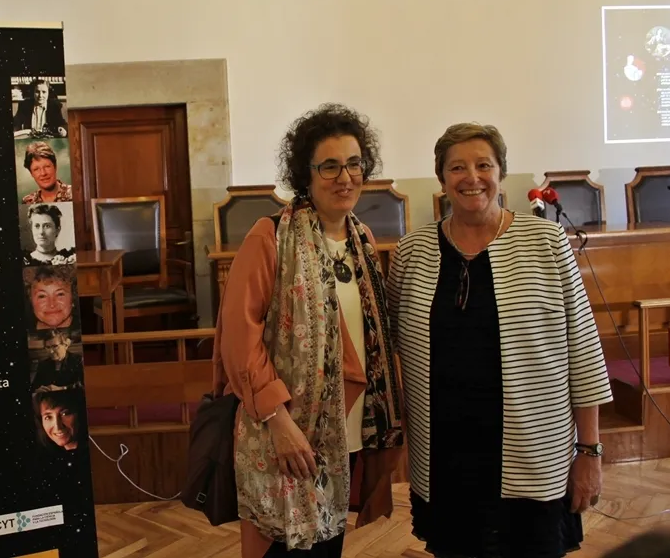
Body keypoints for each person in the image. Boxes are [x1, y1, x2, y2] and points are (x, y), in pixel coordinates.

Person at [385, 122, 613, 557]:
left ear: (501, 173)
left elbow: (583, 351)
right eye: (457, 167)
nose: (472, 177)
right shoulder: (413, 251)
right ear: (441, 178)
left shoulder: (546, 242)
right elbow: (393, 343)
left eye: (483, 165)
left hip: (533, 453)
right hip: (446, 458)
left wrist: (590, 451)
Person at [213, 103, 404, 558]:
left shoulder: (362, 239)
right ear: (306, 173)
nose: (345, 177)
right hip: (281, 430)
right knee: (279, 548)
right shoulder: (270, 237)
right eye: (329, 166)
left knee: (326, 546)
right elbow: (240, 341)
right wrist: (278, 422)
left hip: (344, 431)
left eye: (354, 164)